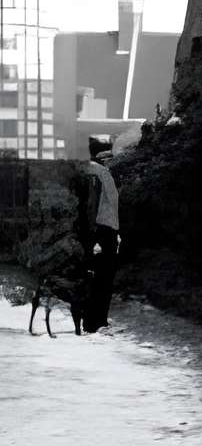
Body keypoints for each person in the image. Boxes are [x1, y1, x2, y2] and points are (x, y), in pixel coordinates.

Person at [78, 134, 120, 333]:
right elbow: (92, 205)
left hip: (102, 228)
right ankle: (95, 323)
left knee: (99, 277)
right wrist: (96, 235)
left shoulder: (96, 172)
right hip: (102, 229)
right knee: (102, 277)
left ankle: (95, 321)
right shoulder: (98, 173)